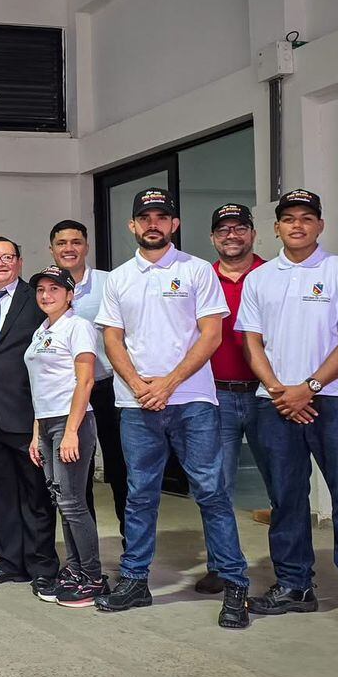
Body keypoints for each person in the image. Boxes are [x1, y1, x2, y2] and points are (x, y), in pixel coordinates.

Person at [94, 189, 250, 628]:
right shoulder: (119, 279)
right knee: (140, 494)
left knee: (211, 492)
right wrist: (141, 385)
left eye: (162, 216)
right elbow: (112, 339)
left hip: (193, 402)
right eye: (145, 217)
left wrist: (168, 383)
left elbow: (211, 335)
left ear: (174, 224)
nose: (153, 224)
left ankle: (235, 584)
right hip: (136, 404)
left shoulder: (198, 271)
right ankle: (135, 580)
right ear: (133, 225)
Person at [235, 191, 338, 636]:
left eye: (306, 218)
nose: (297, 226)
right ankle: (295, 586)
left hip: (334, 402)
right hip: (275, 403)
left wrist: (309, 388)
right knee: (286, 499)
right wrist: (282, 391)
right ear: (276, 227)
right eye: (288, 219)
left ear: (320, 225)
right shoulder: (261, 279)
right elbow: (251, 343)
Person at [0, 237, 59, 596]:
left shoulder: (36, 299)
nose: (0, 264)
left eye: (7, 257)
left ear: (20, 262)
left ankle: (41, 565)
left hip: (26, 414)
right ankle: (9, 561)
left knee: (35, 494)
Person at [199, 203, 272, 595]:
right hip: (217, 395)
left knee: (282, 485)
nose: (232, 235)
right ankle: (222, 566)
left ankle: (290, 570)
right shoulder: (201, 278)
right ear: (213, 237)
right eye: (223, 229)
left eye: (240, 228)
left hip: (268, 395)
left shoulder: (272, 275)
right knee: (216, 486)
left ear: (253, 234)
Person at [23, 265, 106, 607]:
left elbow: (85, 381)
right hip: (46, 424)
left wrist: (71, 432)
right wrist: (35, 433)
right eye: (41, 290)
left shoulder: (79, 327)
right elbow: (39, 388)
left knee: (73, 502)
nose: (46, 295)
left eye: (54, 289)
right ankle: (74, 571)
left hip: (72, 423)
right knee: (62, 501)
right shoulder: (41, 330)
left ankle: (93, 577)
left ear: (70, 295)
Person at [48, 220, 121, 531]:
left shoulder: (110, 283)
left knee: (121, 470)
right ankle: (84, 556)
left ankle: (131, 554)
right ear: (51, 249)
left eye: (76, 242)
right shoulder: (46, 289)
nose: (69, 248)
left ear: (86, 246)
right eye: (62, 243)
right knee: (76, 476)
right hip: (68, 395)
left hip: (109, 389)